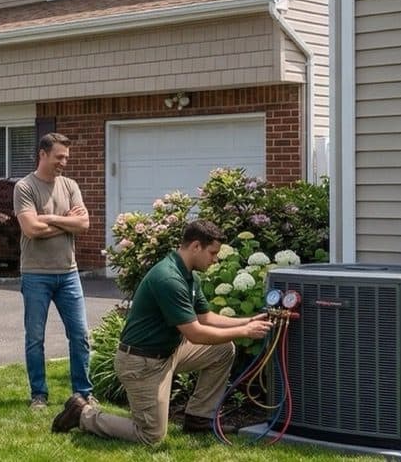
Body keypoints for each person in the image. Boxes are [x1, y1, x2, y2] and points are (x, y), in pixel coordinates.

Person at [51, 219, 273, 443]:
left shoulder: (189, 276)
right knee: (151, 435)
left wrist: (248, 320)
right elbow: (195, 333)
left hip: (168, 353)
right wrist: (246, 331)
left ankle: (198, 418)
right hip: (141, 363)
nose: (215, 259)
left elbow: (206, 317)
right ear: (196, 246)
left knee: (223, 349)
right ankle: (83, 414)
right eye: (212, 253)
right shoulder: (169, 278)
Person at [14, 132, 91, 411]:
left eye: (66, 158)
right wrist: (65, 222)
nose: (64, 163)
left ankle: (83, 393)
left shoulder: (69, 185)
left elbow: (83, 225)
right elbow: (30, 230)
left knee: (80, 334)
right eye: (59, 157)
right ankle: (39, 395)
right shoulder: (24, 187)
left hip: (69, 273)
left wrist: (48, 218)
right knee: (35, 338)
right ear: (43, 154)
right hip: (36, 275)